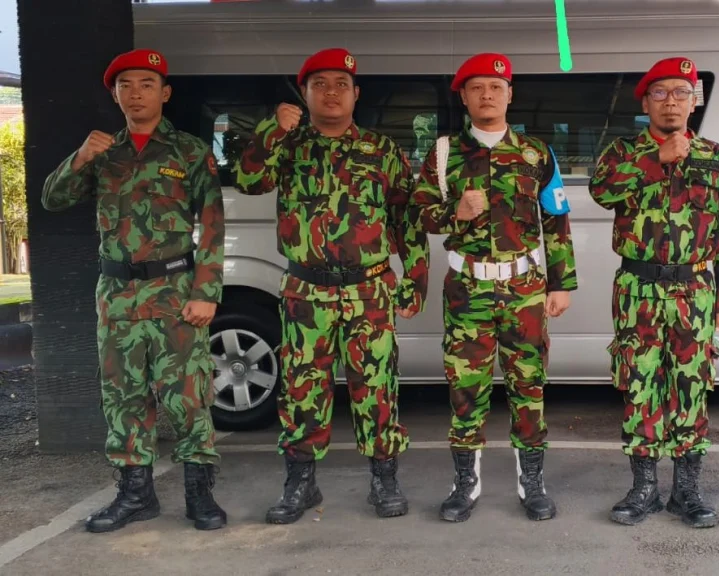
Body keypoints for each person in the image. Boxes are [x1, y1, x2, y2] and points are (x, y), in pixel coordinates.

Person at [233, 48, 429, 523]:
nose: (331, 92)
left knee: (377, 387)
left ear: (356, 93)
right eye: (319, 84)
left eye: (341, 83)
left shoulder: (382, 150)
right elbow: (248, 180)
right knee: (302, 388)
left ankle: (384, 478)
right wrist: (271, 131)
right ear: (304, 94)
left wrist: (415, 281)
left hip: (369, 291)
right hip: (306, 291)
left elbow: (407, 218)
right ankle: (300, 482)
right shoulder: (289, 145)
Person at [41, 49, 227, 533]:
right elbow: (52, 199)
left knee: (188, 396)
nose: (136, 92)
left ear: (164, 93)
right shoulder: (102, 152)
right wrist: (80, 157)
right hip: (118, 295)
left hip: (174, 292)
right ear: (116, 94)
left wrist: (207, 290)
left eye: (147, 83)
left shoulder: (189, 151)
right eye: (126, 85)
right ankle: (135, 495)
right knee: (122, 397)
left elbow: (211, 224)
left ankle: (200, 495)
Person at [411, 52, 577, 523]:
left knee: (530, 386)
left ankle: (533, 484)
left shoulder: (536, 153)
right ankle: (465, 484)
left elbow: (556, 221)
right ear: (463, 96)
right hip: (468, 289)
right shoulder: (442, 152)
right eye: (477, 87)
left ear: (510, 94)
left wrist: (561, 284)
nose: (487, 95)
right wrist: (453, 214)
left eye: (496, 87)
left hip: (525, 288)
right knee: (465, 388)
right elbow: (417, 213)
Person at [589, 57, 719, 528]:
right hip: (638, 286)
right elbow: (601, 191)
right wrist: (657, 161)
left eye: (681, 92)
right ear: (646, 102)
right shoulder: (622, 151)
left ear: (694, 102)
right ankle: (644, 488)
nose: (671, 101)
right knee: (640, 384)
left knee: (691, 386)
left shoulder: (714, 156)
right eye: (661, 93)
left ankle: (688, 491)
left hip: (695, 287)